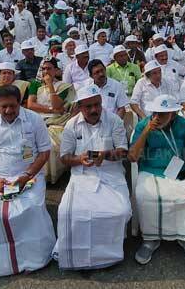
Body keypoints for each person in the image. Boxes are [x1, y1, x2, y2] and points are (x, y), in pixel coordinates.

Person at [0, 85, 56, 277]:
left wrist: (27, 175)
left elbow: (44, 153)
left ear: (20, 103)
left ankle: (33, 256)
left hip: (30, 176)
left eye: (13, 106)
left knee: (31, 207)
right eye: (4, 107)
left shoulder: (34, 120)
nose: (9, 111)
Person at [55, 85, 132, 270]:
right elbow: (64, 158)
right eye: (88, 107)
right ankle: (77, 255)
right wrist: (79, 159)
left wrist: (105, 155)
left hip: (111, 174)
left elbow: (123, 152)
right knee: (67, 212)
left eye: (97, 105)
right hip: (82, 175)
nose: (94, 110)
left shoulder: (114, 120)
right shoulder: (71, 125)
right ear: (80, 107)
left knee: (120, 211)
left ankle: (107, 255)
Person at [128, 95, 185, 266]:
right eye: (155, 113)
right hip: (150, 170)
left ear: (174, 113)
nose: (157, 117)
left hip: (179, 171)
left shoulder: (183, 124)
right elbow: (133, 157)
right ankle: (150, 239)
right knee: (144, 195)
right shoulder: (144, 124)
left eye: (163, 114)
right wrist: (147, 130)